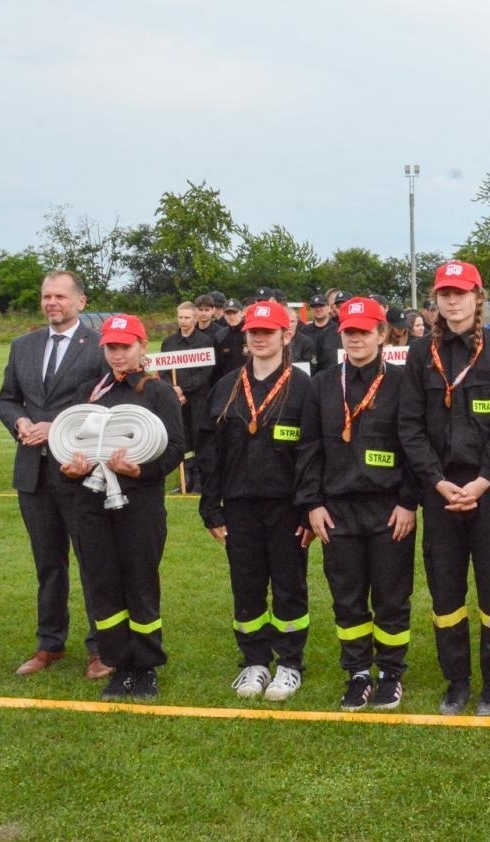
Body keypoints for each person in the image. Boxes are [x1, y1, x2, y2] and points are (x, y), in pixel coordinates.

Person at [397, 260, 490, 716]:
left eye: (460, 293)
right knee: (446, 592)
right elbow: (408, 426)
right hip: (441, 492)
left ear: (477, 296)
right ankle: (456, 681)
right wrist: (437, 481)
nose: (452, 301)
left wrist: (483, 480)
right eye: (444, 294)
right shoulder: (419, 353)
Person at [298, 297, 417, 712]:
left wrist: (408, 502)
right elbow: (309, 449)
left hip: (389, 511)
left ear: (382, 335)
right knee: (347, 597)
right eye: (350, 332)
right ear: (340, 334)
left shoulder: (403, 383)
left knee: (391, 596)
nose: (356, 339)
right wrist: (312, 504)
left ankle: (389, 673)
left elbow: (414, 447)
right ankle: (358, 673)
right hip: (338, 510)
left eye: (365, 332)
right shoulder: (322, 385)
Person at [61, 314, 184, 701]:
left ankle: (145, 666)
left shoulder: (158, 393)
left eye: (124, 346)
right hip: (91, 505)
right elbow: (68, 442)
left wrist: (141, 470)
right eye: (111, 347)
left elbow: (177, 449)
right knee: (103, 585)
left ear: (141, 347)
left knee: (140, 583)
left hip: (140, 505)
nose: (117, 354)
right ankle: (117, 663)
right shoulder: (87, 392)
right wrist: (71, 470)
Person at [0, 270, 109, 679]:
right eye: (46, 296)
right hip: (33, 474)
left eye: (60, 296)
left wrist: (55, 425)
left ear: (81, 302)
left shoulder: (99, 347)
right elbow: (7, 399)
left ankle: (101, 647)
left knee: (93, 561)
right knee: (48, 564)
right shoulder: (22, 346)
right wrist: (21, 422)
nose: (51, 303)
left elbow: (105, 407)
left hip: (79, 471)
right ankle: (50, 644)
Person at [202, 300, 312, 701]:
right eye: (254, 332)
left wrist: (308, 507)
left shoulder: (304, 388)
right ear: (245, 337)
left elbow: (313, 453)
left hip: (288, 508)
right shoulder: (226, 386)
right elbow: (209, 452)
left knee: (289, 585)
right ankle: (253, 662)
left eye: (269, 332)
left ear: (287, 335)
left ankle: (289, 664)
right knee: (246, 583)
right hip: (239, 505)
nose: (260, 338)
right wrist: (210, 507)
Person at [161, 301, 216, 492]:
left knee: (199, 439)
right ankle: (185, 480)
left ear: (195, 318)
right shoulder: (169, 343)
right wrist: (173, 390)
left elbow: (205, 373)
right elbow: (163, 371)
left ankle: (201, 482)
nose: (183, 321)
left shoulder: (205, 342)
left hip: (199, 400)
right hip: (176, 401)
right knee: (182, 440)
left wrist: (182, 389)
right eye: (180, 317)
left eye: (187, 317)